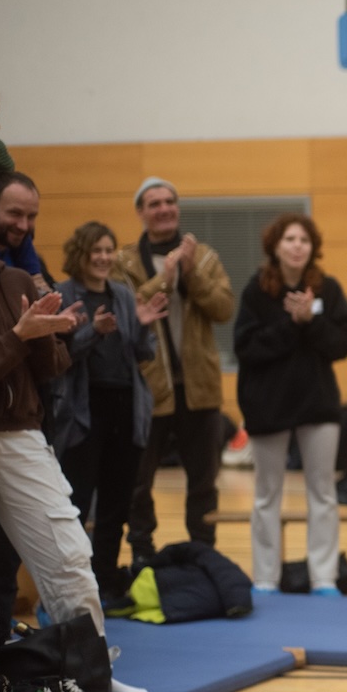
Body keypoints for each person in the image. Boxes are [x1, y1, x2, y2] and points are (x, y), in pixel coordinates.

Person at [0, 253, 131, 692]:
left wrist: (50, 332)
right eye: (16, 212)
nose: (22, 222)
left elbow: (52, 367)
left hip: (19, 433)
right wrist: (17, 337)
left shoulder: (13, 279)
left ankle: (89, 676)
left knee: (69, 553)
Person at [233, 213, 347, 596]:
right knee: (266, 494)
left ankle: (323, 577)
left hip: (317, 405)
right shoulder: (257, 291)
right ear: (275, 245)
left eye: (304, 240)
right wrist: (292, 323)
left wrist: (311, 321)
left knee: (322, 492)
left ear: (312, 247)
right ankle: (265, 578)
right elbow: (246, 347)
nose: (297, 246)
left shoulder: (328, 289)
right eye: (289, 239)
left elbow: (343, 342)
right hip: (268, 406)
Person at [52, 222, 169, 607]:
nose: (103, 258)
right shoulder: (64, 295)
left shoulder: (122, 293)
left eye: (108, 250)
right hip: (85, 413)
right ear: (81, 254)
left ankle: (106, 582)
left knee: (117, 505)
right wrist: (94, 332)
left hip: (124, 408)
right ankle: (74, 588)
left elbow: (142, 352)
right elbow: (59, 359)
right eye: (95, 251)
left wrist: (143, 328)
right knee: (79, 503)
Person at [119, 177, 234, 560]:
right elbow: (126, 311)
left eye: (169, 201)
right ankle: (142, 553)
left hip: (199, 388)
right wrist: (165, 279)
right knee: (138, 481)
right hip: (148, 390)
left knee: (203, 482)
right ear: (141, 212)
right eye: (154, 203)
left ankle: (204, 554)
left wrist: (190, 272)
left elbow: (223, 309)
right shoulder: (124, 262)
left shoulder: (204, 258)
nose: (164, 208)